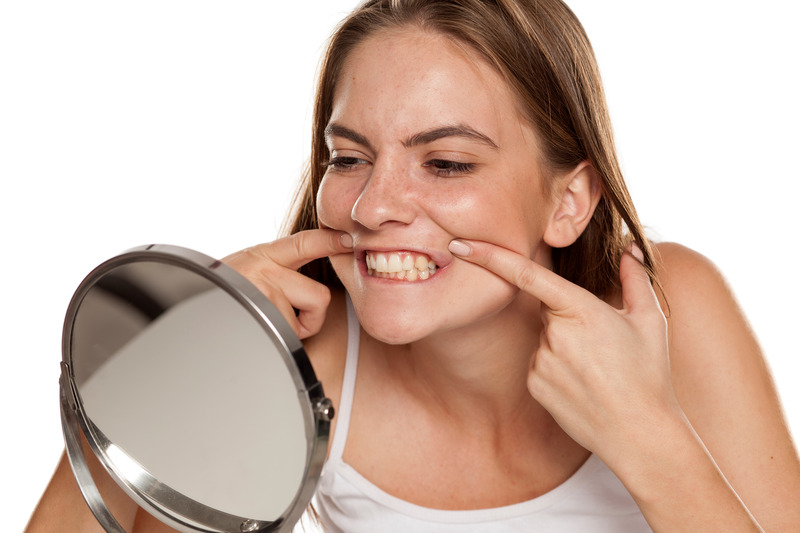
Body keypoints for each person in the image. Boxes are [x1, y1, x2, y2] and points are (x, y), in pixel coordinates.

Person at [27, 0, 800, 531]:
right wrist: (183, 350)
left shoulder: (671, 309)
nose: (372, 207)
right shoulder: (314, 358)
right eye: (350, 156)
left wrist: (644, 431)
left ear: (569, 201)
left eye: (448, 162)